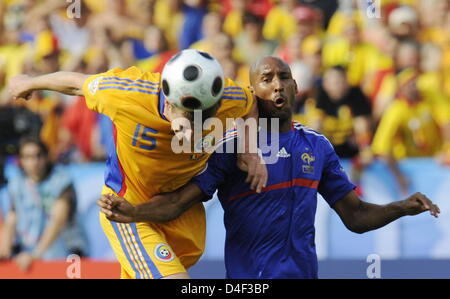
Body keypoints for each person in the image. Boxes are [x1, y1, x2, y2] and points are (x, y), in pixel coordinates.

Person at [98, 56, 440, 279]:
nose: (277, 84)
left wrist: (401, 207)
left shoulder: (317, 147)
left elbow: (355, 216)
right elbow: (177, 202)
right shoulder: (229, 148)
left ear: (295, 88)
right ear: (253, 92)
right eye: (267, 78)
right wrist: (134, 212)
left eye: (284, 77)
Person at [9, 49, 266, 279]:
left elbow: (251, 105)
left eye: (207, 116)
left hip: (181, 211)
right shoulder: (124, 92)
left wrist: (250, 151)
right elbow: (78, 84)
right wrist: (30, 82)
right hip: (127, 209)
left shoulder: (226, 93)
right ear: (170, 98)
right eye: (190, 117)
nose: (196, 128)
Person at [0, 137, 86, 271]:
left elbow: (58, 219)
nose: (34, 162)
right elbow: (12, 218)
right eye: (28, 157)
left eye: (38, 155)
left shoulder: (62, 180)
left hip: (66, 255)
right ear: (21, 161)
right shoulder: (16, 183)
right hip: (27, 255)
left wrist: (35, 255)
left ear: (46, 157)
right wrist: (4, 252)